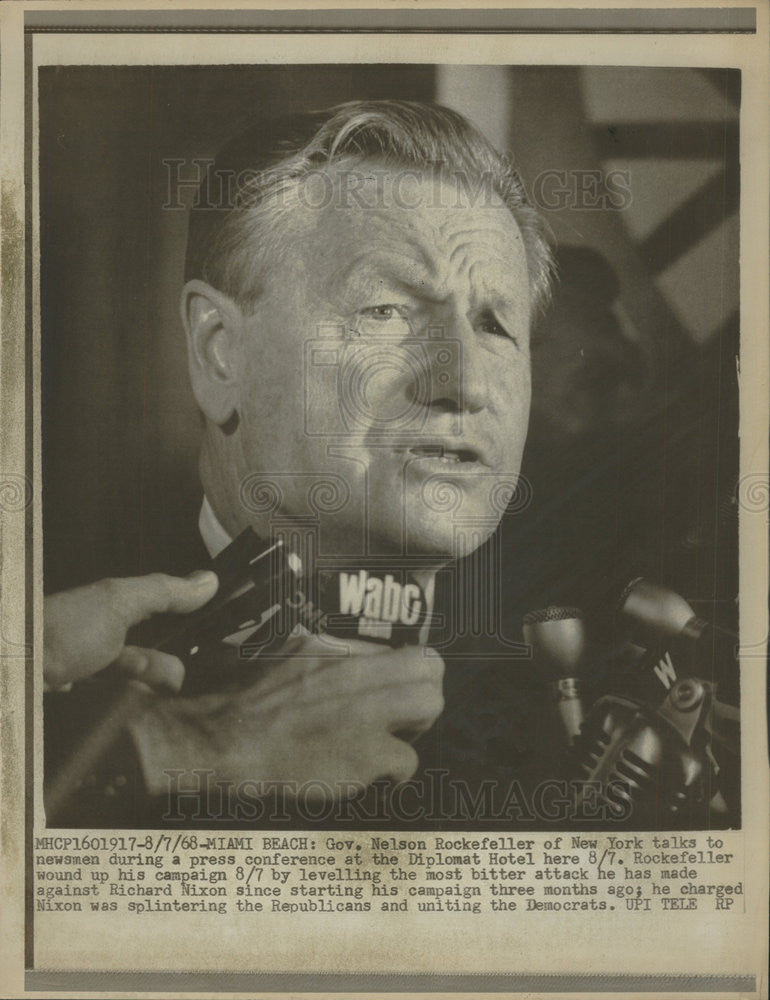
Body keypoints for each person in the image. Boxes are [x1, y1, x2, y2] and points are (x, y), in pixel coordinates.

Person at [44, 100, 554, 828]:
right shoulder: (42, 656)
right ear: (221, 352)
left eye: (495, 324)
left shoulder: (582, 717)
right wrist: (197, 744)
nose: (466, 384)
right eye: (387, 312)